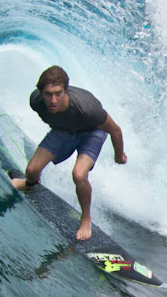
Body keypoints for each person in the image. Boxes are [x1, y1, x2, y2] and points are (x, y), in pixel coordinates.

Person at [11, 65, 127, 241]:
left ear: (66, 90)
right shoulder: (36, 102)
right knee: (32, 170)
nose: (53, 100)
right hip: (64, 130)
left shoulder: (87, 108)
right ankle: (29, 184)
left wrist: (119, 155)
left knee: (79, 174)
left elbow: (116, 130)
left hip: (92, 132)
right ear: (40, 92)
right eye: (48, 94)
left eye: (58, 93)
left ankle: (86, 219)